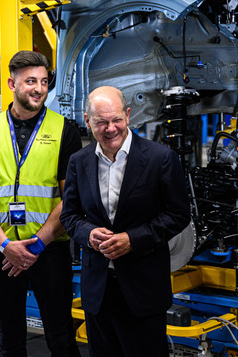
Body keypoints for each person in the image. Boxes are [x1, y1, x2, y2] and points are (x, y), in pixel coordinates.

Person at [60, 86, 191, 357]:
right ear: (87, 121)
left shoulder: (160, 158)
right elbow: (70, 216)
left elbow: (178, 215)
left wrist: (133, 240)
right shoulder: (78, 162)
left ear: (128, 115)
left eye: (116, 120)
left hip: (143, 290)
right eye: (101, 122)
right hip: (98, 290)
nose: (110, 129)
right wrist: (88, 234)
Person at [0, 50, 82, 357]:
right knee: (9, 341)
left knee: (61, 338)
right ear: (12, 84)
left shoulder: (64, 131)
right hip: (1, 250)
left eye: (44, 81)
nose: (39, 88)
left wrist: (35, 246)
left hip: (48, 249)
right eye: (30, 81)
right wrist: (6, 245)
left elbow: (70, 197)